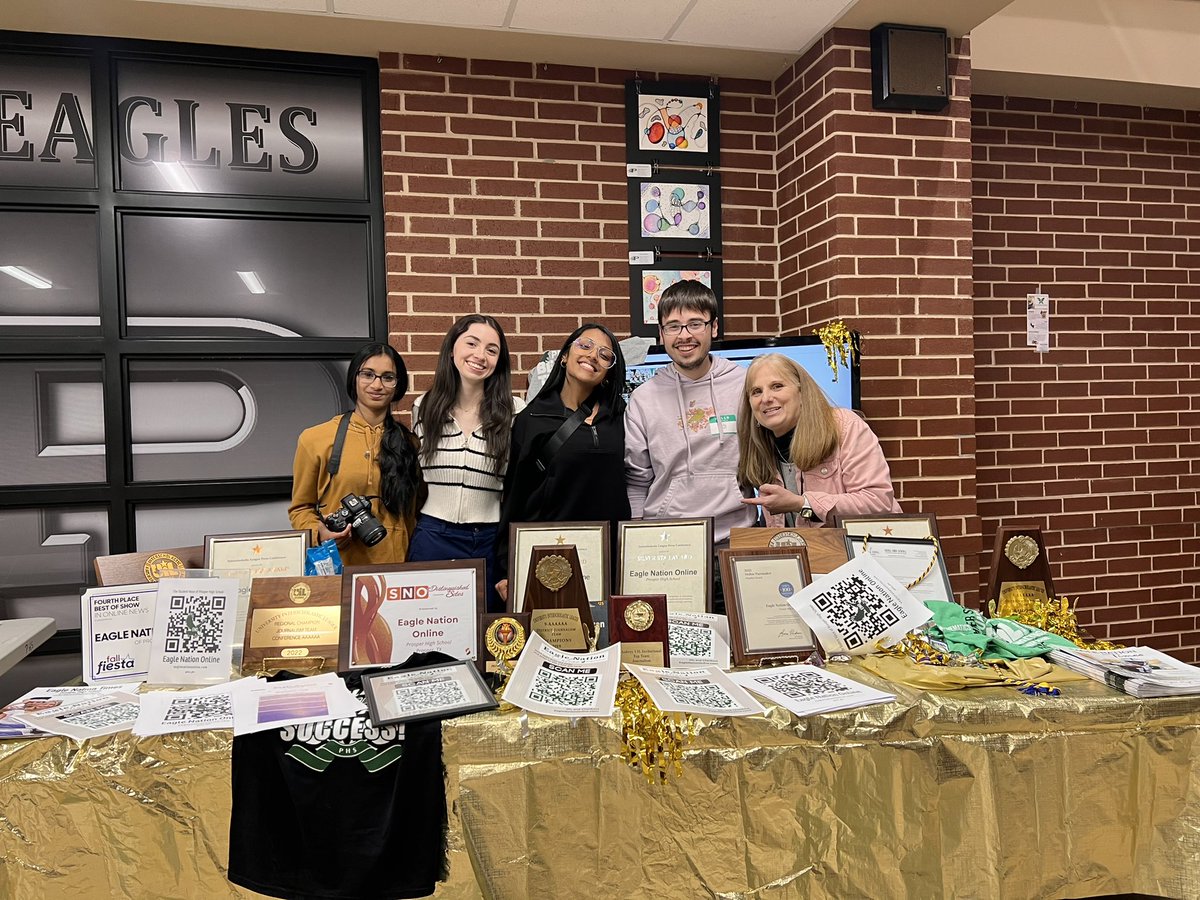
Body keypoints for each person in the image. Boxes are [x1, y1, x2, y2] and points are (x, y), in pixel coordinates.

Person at [494, 323, 630, 603]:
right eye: (585, 345)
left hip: (609, 559)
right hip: (551, 556)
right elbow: (515, 496)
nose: (593, 355)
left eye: (605, 355)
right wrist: (509, 567)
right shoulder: (531, 421)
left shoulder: (621, 419)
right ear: (565, 355)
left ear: (609, 372)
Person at [624, 279, 754, 548]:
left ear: (714, 327)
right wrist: (636, 541)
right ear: (661, 334)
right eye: (673, 326)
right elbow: (636, 480)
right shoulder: (643, 399)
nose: (684, 336)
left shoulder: (745, 384)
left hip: (737, 536)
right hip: (667, 541)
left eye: (695, 324)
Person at [408, 315, 523, 611]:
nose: (479, 355)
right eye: (471, 343)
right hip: (433, 536)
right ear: (452, 349)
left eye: (491, 350)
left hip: (488, 540)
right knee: (428, 631)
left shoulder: (515, 411)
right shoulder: (424, 407)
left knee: (489, 637)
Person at [288, 342, 423, 566]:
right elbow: (301, 508)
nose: (377, 385)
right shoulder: (315, 439)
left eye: (388, 377)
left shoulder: (410, 444)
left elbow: (416, 510)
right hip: (340, 566)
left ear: (397, 386)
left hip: (397, 569)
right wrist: (320, 532)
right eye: (368, 374)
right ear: (354, 378)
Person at [737, 353, 901, 526]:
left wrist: (802, 504)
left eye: (777, 386)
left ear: (801, 393)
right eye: (757, 392)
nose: (766, 398)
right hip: (805, 551)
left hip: (860, 549)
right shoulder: (759, 447)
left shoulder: (845, 426)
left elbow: (878, 502)